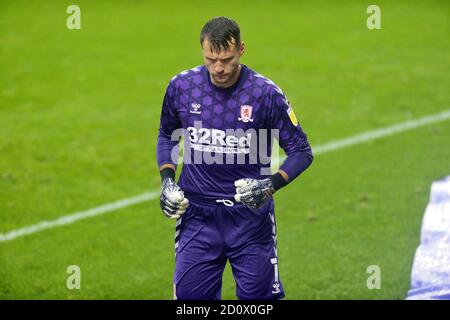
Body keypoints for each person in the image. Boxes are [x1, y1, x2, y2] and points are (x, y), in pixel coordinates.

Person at [156, 16, 313, 300]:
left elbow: (301, 151)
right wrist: (167, 180)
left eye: (226, 59)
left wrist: (270, 185)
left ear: (241, 49)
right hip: (197, 218)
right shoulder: (182, 87)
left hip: (250, 221)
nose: (218, 68)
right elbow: (167, 134)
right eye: (210, 59)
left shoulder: (264, 94)